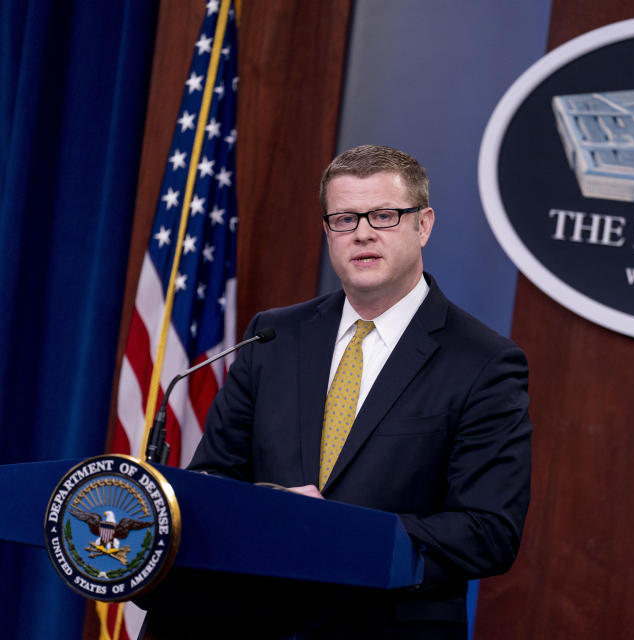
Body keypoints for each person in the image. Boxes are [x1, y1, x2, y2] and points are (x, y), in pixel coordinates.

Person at [184, 145, 532, 638]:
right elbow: (212, 478)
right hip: (255, 620)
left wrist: (339, 532)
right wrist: (271, 508)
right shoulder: (274, 336)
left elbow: (488, 532)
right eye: (345, 219)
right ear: (328, 231)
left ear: (423, 225)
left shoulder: (483, 362)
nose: (363, 232)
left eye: (385, 216)